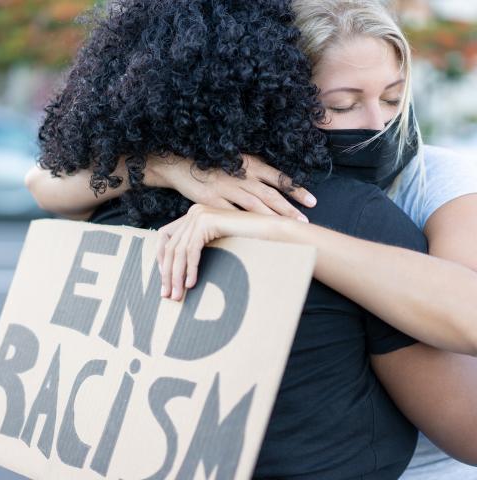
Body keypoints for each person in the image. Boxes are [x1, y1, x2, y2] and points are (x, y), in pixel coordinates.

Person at [27, 0, 477, 478]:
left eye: (393, 97)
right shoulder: (213, 187)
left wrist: (280, 230)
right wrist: (164, 167)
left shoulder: (433, 180)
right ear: (272, 98)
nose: (376, 125)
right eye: (339, 105)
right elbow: (43, 182)